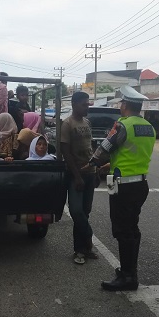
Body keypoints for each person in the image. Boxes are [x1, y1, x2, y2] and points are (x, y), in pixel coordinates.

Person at [82, 85, 156, 291]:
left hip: (124, 187)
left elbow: (105, 147)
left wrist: (92, 163)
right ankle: (128, 270)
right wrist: (110, 165)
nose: (121, 106)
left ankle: (128, 277)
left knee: (123, 231)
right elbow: (131, 154)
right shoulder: (149, 127)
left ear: (125, 105)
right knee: (132, 229)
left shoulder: (123, 125)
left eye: (121, 103)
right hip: (140, 184)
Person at [61, 91, 98, 265]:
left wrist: (95, 170)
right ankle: (86, 239)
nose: (87, 107)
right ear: (75, 104)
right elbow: (66, 152)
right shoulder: (67, 124)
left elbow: (90, 147)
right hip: (76, 175)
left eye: (88, 103)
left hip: (90, 173)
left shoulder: (87, 122)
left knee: (85, 212)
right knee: (76, 211)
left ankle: (83, 250)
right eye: (84, 104)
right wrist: (77, 176)